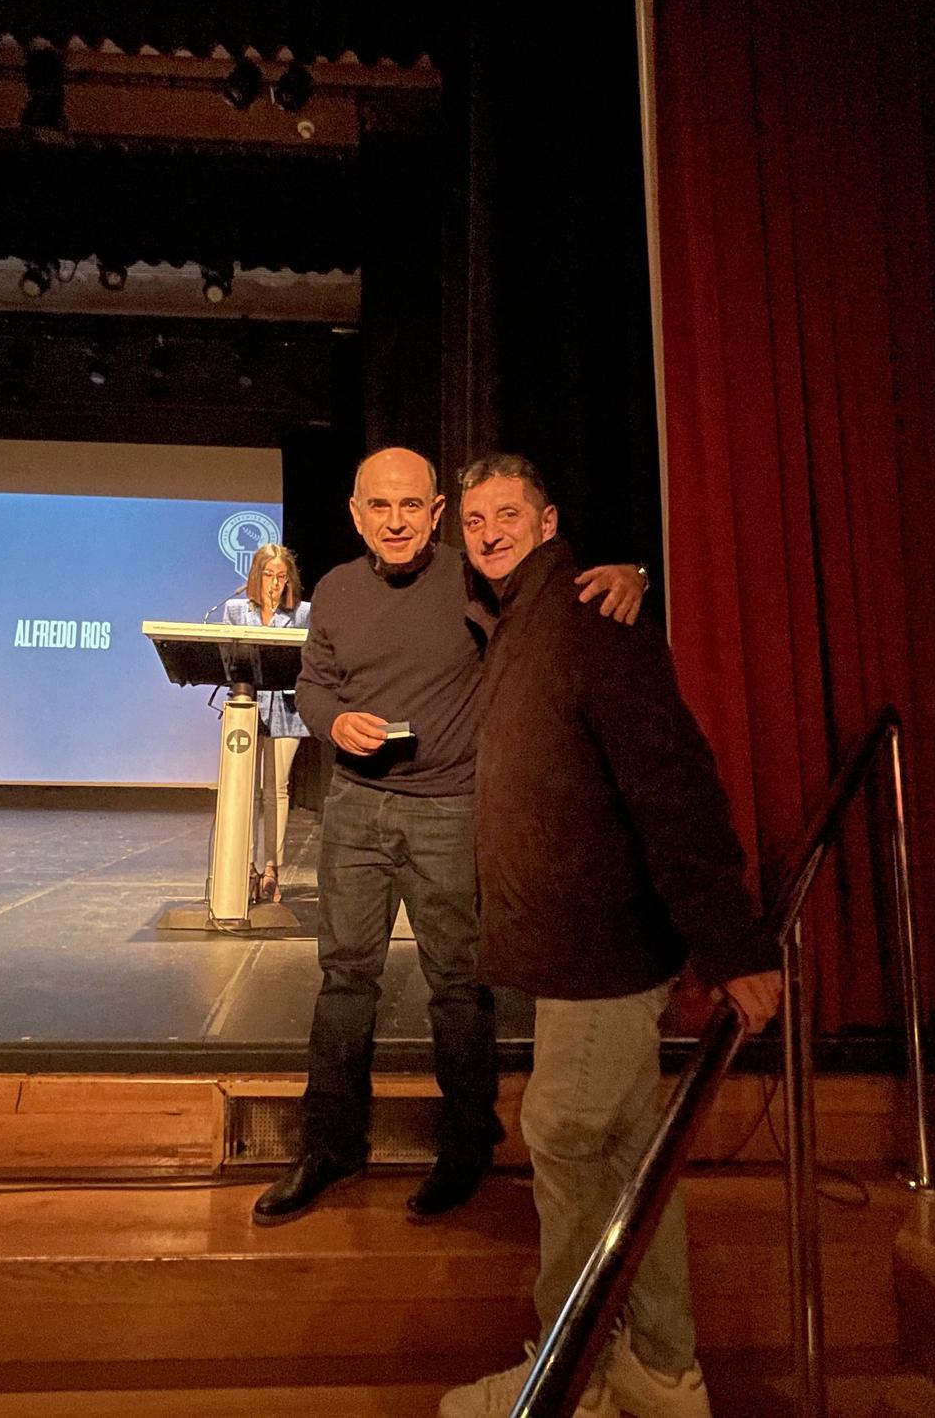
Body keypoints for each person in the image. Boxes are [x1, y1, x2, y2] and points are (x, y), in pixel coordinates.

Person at [440, 454, 784, 1418]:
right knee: (631, 1152)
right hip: (575, 953)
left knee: (566, 1137)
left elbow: (671, 781)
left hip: (599, 954)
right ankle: (665, 1371)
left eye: (509, 513)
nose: (491, 529)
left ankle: (571, 1381)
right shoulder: (523, 618)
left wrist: (736, 942)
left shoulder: (593, 619)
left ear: (549, 524)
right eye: (474, 520)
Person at [252, 446, 647, 1229]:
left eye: (411, 507)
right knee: (344, 980)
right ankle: (331, 1145)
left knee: (460, 990)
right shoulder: (332, 589)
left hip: (451, 809)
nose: (395, 522)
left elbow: (557, 595)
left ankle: (468, 1144)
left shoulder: (474, 577)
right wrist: (334, 721)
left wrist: (634, 570)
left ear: (435, 514)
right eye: (379, 507)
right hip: (357, 809)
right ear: (356, 513)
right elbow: (314, 683)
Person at [214, 543, 311, 902]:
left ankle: (271, 869)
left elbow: (310, 663)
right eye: (268, 575)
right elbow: (227, 658)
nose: (275, 582)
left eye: (281, 576)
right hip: (247, 708)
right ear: (257, 576)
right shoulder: (236, 610)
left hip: (287, 709)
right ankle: (244, 867)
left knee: (276, 789)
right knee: (244, 789)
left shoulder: (302, 613)